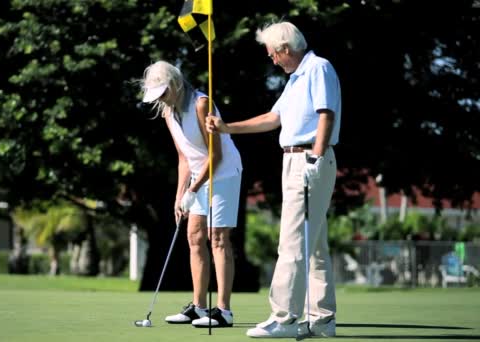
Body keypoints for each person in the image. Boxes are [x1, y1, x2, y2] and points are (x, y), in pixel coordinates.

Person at [206, 21, 340, 338]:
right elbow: (271, 119)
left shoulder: (319, 68)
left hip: (309, 159)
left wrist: (316, 156)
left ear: (284, 49)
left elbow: (327, 114)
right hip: (295, 159)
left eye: (272, 53)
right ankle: (322, 320)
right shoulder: (294, 80)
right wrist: (227, 128)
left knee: (292, 242)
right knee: (315, 245)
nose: (271, 59)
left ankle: (285, 318)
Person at [140, 60, 243, 328]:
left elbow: (216, 154)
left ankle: (224, 311)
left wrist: (193, 189)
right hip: (199, 176)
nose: (160, 99)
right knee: (194, 237)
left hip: (225, 173)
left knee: (217, 238)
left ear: (174, 84)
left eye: (163, 92)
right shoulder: (167, 113)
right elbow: (184, 158)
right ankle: (198, 307)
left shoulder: (201, 104)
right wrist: (179, 195)